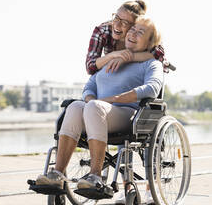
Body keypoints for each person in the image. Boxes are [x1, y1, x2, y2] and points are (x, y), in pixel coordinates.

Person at [35, 16, 163, 205]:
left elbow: (152, 88)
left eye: (140, 32)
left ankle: (95, 176)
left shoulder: (150, 63)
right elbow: (89, 86)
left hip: (128, 115)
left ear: (150, 42)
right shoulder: (112, 59)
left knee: (94, 107)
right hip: (97, 112)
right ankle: (57, 174)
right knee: (76, 106)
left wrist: (113, 99)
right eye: (132, 29)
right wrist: (90, 100)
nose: (133, 33)